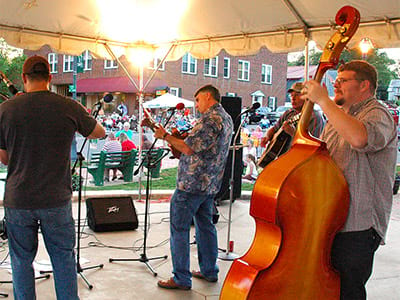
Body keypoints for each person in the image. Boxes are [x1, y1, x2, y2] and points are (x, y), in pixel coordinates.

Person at [0, 55, 105, 299]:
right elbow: (99, 132)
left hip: (19, 199)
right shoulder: (67, 106)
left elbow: (4, 159)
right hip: (56, 199)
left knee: (21, 261)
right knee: (63, 259)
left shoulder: (5, 109)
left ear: (24, 78)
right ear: (49, 78)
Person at [301, 60, 397, 300]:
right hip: (331, 217)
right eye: (336, 80)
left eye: (343, 80)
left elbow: (359, 139)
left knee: (347, 292)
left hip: (358, 225)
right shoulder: (338, 117)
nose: (336, 84)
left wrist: (323, 101)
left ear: (364, 85)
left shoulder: (378, 113)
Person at [153, 84, 233, 290]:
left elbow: (188, 147)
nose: (196, 105)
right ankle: (209, 270)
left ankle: (181, 277)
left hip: (191, 184)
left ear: (208, 96)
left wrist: (165, 136)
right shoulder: (226, 118)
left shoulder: (210, 120)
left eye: (197, 100)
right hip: (210, 184)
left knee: (179, 229)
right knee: (205, 226)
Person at [260, 81, 325, 150]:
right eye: (291, 95)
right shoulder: (289, 113)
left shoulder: (314, 117)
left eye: (297, 95)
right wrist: (267, 137)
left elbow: (311, 145)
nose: (293, 98)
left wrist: (292, 132)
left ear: (307, 97)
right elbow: (274, 128)